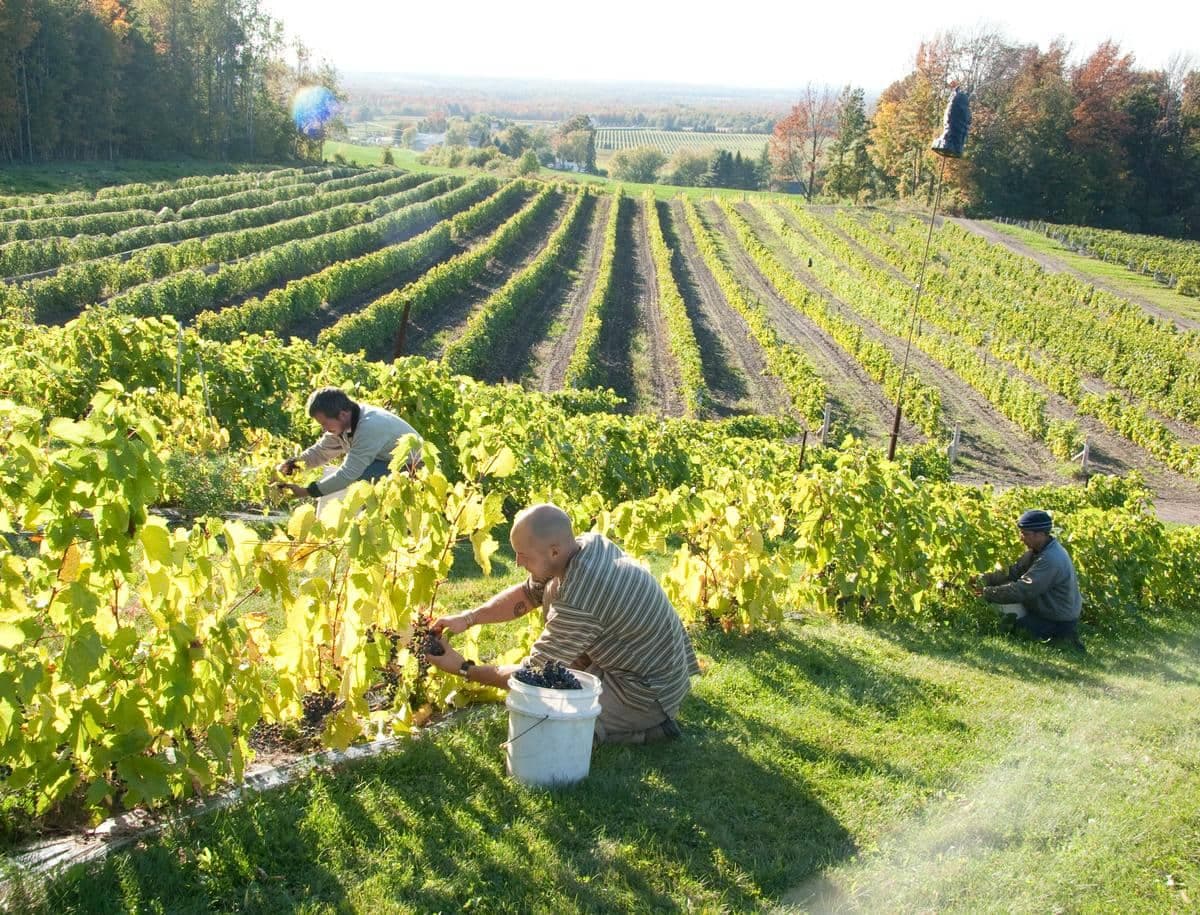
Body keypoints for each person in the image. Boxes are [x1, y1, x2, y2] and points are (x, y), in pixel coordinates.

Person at [426, 503, 700, 744]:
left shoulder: (584, 592)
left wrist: (463, 668)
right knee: (549, 590)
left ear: (554, 551)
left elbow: (531, 675)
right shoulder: (586, 545)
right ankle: (588, 681)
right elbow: (527, 593)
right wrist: (468, 618)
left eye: (524, 556)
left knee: (551, 719)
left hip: (647, 691)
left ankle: (649, 727)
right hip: (637, 665)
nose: (518, 563)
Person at [274, 387, 421, 500]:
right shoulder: (345, 423)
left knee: (359, 475)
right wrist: (289, 467)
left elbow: (348, 474)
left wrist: (307, 491)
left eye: (325, 424)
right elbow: (320, 452)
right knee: (351, 476)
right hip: (387, 465)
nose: (324, 429)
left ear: (343, 414)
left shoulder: (369, 427)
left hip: (416, 472)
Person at [973, 509, 1083, 645]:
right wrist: (979, 579)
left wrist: (984, 592)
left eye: (1025, 534)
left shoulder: (1051, 559)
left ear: (1040, 534)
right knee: (1004, 594)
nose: (1021, 538)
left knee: (1013, 626)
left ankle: (1061, 639)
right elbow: (1012, 572)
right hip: (1045, 613)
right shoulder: (1038, 551)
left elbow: (1022, 590)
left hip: (1056, 621)